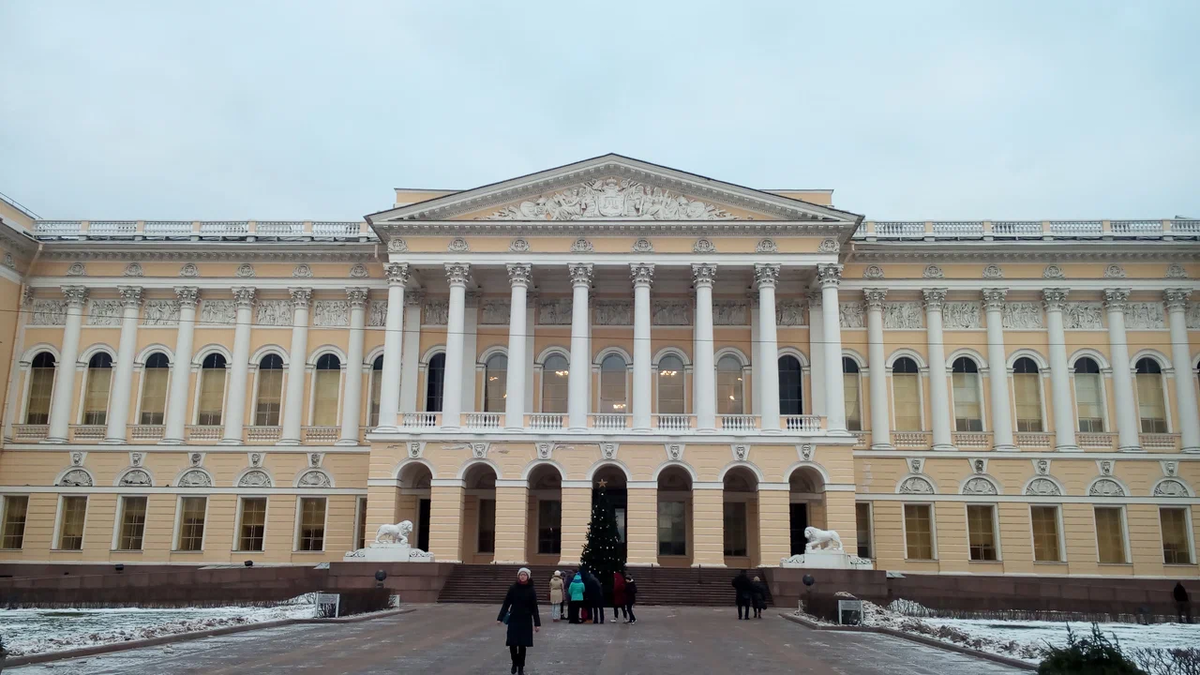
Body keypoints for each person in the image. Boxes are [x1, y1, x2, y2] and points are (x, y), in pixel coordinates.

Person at [497, 567, 541, 675]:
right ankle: (514, 663)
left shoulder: (531, 590)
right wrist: (500, 617)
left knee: (522, 645)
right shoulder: (513, 588)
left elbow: (534, 608)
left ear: (528, 577)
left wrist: (537, 624)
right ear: (518, 576)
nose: (522, 576)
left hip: (525, 619)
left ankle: (521, 667)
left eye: (524, 575)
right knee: (512, 644)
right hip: (514, 618)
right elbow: (506, 603)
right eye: (521, 574)